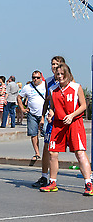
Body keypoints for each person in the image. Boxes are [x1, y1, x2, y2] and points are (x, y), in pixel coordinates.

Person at [41, 63, 92, 196]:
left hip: (74, 123)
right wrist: (50, 113)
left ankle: (88, 183)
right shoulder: (53, 89)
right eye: (58, 74)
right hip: (58, 125)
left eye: (62, 74)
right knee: (52, 152)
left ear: (68, 74)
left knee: (79, 153)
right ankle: (52, 182)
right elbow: (52, 106)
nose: (60, 76)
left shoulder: (76, 87)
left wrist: (72, 115)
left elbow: (83, 105)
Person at [33, 56, 66, 188]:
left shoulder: (68, 80)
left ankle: (88, 179)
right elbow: (47, 100)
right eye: (52, 64)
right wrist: (42, 116)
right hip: (51, 119)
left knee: (78, 151)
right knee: (48, 148)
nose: (54, 66)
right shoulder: (49, 81)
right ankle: (45, 177)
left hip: (65, 118)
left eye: (56, 64)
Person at [17, 71, 46, 161]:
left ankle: (48, 153)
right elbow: (19, 97)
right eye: (34, 77)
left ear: (41, 78)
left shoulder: (46, 85)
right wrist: (22, 109)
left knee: (46, 133)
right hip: (32, 114)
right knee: (33, 134)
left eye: (37, 77)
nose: (35, 79)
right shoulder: (27, 87)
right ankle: (37, 153)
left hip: (44, 114)